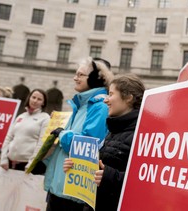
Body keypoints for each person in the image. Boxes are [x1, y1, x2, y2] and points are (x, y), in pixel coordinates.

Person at [63, 73, 146, 211]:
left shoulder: (142, 132)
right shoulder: (114, 129)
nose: (106, 100)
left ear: (129, 98)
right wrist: (76, 167)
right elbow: (102, 167)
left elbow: (145, 180)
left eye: (111, 94)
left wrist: (110, 176)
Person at [43, 57, 114, 211]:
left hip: (72, 195)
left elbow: (86, 147)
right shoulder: (82, 105)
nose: (75, 78)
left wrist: (62, 134)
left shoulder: (99, 106)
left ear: (97, 78)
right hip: (61, 188)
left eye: (80, 75)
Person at [0, 89, 50, 171]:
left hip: (26, 165)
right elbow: (8, 138)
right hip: (8, 163)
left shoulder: (45, 118)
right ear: (29, 98)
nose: (35, 101)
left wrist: (32, 163)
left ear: (43, 103)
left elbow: (42, 143)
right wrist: (3, 158)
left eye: (39, 99)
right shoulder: (21, 116)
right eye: (33, 97)